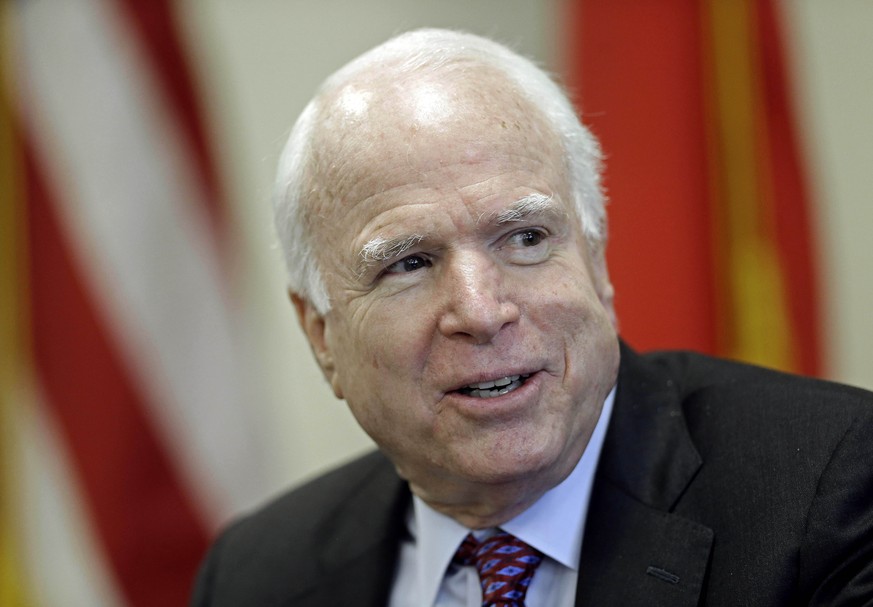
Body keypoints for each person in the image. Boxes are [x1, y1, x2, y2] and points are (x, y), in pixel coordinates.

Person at [191, 29, 873, 606]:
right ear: (321, 335)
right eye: (407, 263)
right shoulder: (256, 575)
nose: (482, 311)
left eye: (523, 239)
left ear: (597, 262)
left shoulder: (832, 492)